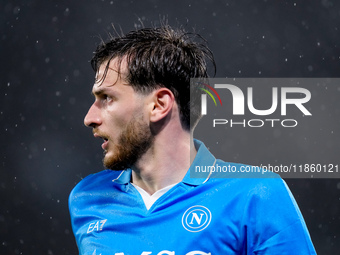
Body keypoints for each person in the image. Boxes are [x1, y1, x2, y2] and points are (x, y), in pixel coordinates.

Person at [69, 25, 316, 255]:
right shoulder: (87, 199)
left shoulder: (256, 194)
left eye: (107, 98)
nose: (89, 118)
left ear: (158, 105)